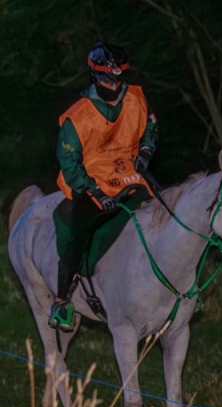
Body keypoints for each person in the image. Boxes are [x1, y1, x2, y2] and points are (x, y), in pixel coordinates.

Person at [49, 42, 157, 331]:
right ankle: (61, 302)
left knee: (169, 211)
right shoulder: (78, 116)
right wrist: (92, 190)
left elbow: (149, 127)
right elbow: (68, 160)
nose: (115, 84)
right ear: (95, 76)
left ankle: (181, 290)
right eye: (109, 79)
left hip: (130, 176)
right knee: (79, 230)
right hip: (92, 183)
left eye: (119, 78)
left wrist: (145, 152)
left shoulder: (135, 98)